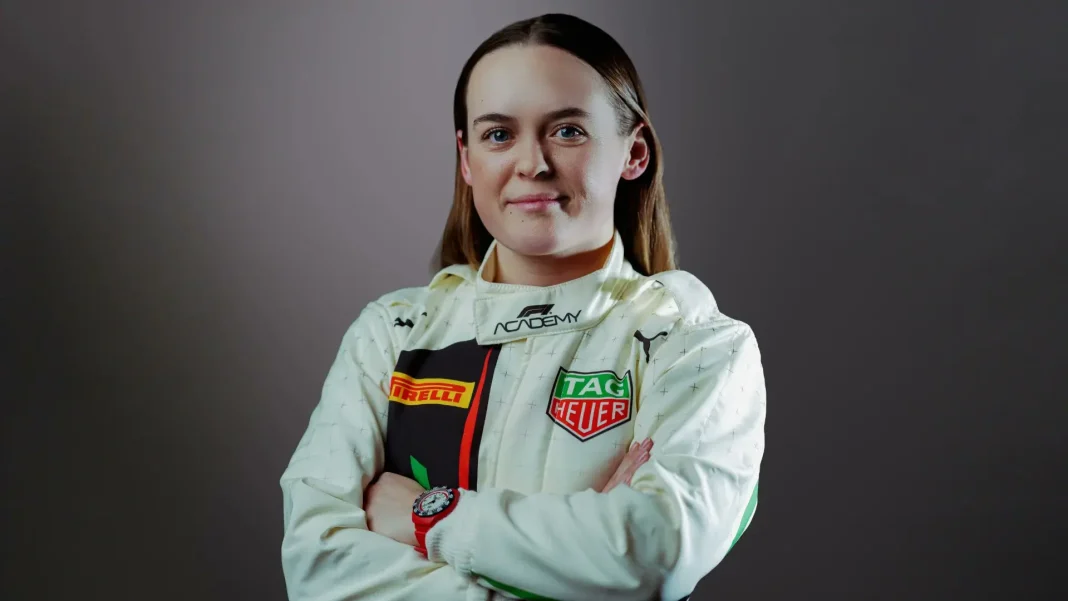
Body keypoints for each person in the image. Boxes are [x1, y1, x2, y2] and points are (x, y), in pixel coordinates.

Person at [279, 12, 766, 601]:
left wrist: (428, 516)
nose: (531, 163)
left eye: (568, 131)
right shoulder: (392, 334)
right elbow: (317, 566)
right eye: (498, 135)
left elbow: (656, 554)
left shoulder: (695, 344)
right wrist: (577, 566)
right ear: (466, 159)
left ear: (634, 152)